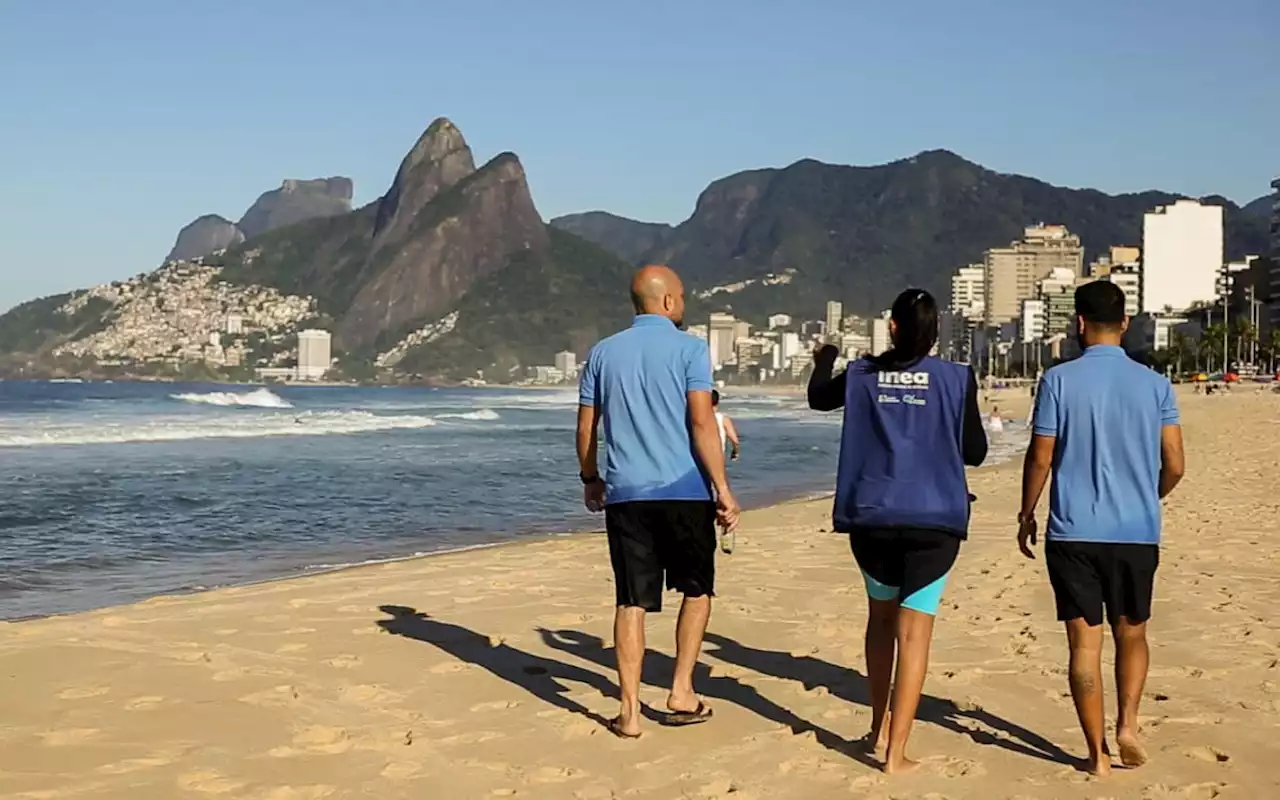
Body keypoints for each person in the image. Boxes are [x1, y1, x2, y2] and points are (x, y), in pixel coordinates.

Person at [808, 288, 987, 773]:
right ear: (935, 334)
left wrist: (824, 359)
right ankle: (896, 752)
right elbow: (975, 452)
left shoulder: (862, 375)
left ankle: (877, 726)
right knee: (915, 634)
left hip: (873, 516)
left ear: (892, 327)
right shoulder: (956, 378)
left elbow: (818, 399)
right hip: (934, 519)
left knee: (881, 621)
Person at [1017, 281, 1185, 776]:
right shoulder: (1155, 384)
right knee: (1133, 633)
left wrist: (1027, 512)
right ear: (1126, 324)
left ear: (1079, 324)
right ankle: (1128, 724)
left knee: (1084, 645)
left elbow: (1041, 455)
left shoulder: (1058, 380)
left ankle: (1096, 756)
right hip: (1136, 531)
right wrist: (1147, 496)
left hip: (1073, 532)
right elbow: (1174, 462)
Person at [576, 264, 741, 739]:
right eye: (683, 296)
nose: (684, 303)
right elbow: (700, 422)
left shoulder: (601, 354)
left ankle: (628, 713)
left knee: (631, 600)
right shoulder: (690, 349)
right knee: (697, 589)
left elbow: (587, 428)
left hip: (626, 494)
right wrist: (723, 490)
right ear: (667, 301)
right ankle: (681, 690)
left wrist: (591, 478)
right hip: (685, 491)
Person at [711, 390, 741, 461]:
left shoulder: (698, 418)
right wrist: (735, 452)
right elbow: (735, 441)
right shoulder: (723, 419)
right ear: (718, 402)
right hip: (717, 458)